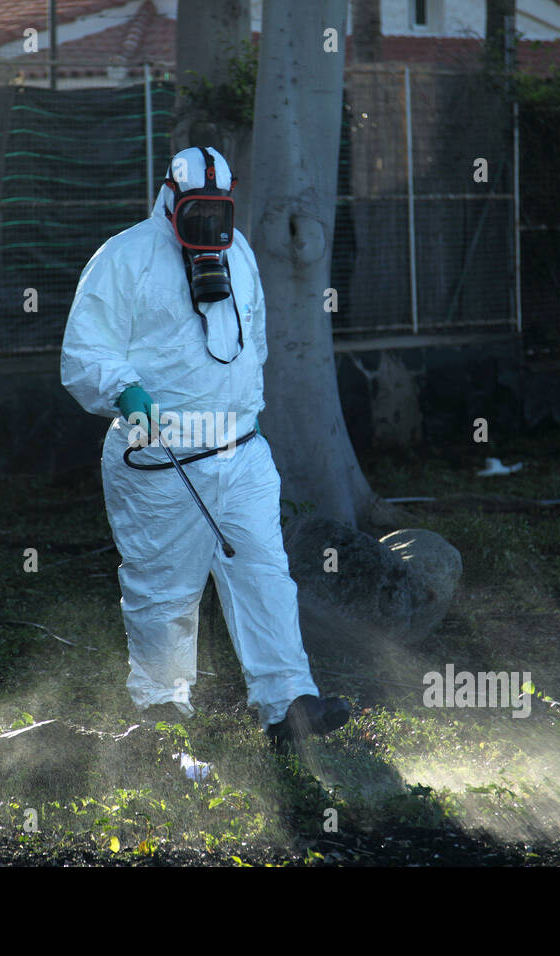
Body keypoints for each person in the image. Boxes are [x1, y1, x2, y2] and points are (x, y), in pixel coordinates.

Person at [60, 146, 350, 746]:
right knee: (163, 588)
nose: (209, 226)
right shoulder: (126, 257)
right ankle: (162, 715)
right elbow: (84, 351)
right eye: (198, 212)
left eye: (219, 211)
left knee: (266, 576)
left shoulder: (238, 251)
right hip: (160, 458)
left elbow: (256, 341)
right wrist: (125, 390)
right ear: (170, 198)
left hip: (240, 452)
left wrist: (245, 410)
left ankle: (289, 704)